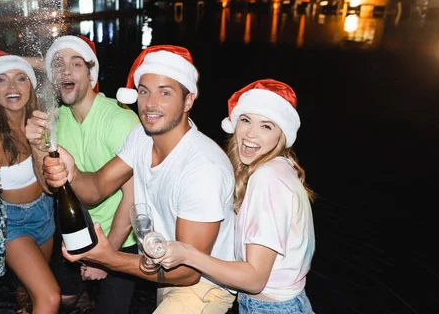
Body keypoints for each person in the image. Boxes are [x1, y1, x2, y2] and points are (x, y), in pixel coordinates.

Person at [33, 45, 237, 313]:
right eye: (144, 91)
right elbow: (97, 188)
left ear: (188, 100)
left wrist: (110, 259)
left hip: (205, 286)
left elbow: (189, 272)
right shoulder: (141, 137)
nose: (151, 103)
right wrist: (72, 172)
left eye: (165, 92)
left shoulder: (202, 167)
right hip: (165, 266)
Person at [153, 79, 316, 314]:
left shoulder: (267, 179)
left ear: (282, 135)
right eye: (246, 120)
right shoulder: (282, 168)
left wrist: (188, 254)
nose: (251, 133)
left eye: (266, 126)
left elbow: (254, 279)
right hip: (288, 302)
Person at [26, 35, 142, 313]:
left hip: (119, 237)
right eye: (58, 64)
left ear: (91, 74)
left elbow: (134, 196)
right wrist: (34, 145)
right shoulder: (56, 120)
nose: (65, 70)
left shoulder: (119, 118)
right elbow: (48, 187)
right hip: (74, 233)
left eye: (76, 63)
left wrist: (107, 257)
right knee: (63, 300)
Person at [0, 47, 60, 313]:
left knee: (30, 291)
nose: (12, 86)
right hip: (13, 224)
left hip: (44, 212)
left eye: (21, 77)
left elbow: (61, 74)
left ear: (31, 84)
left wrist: (25, 61)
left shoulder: (38, 118)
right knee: (50, 297)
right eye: (1, 79)